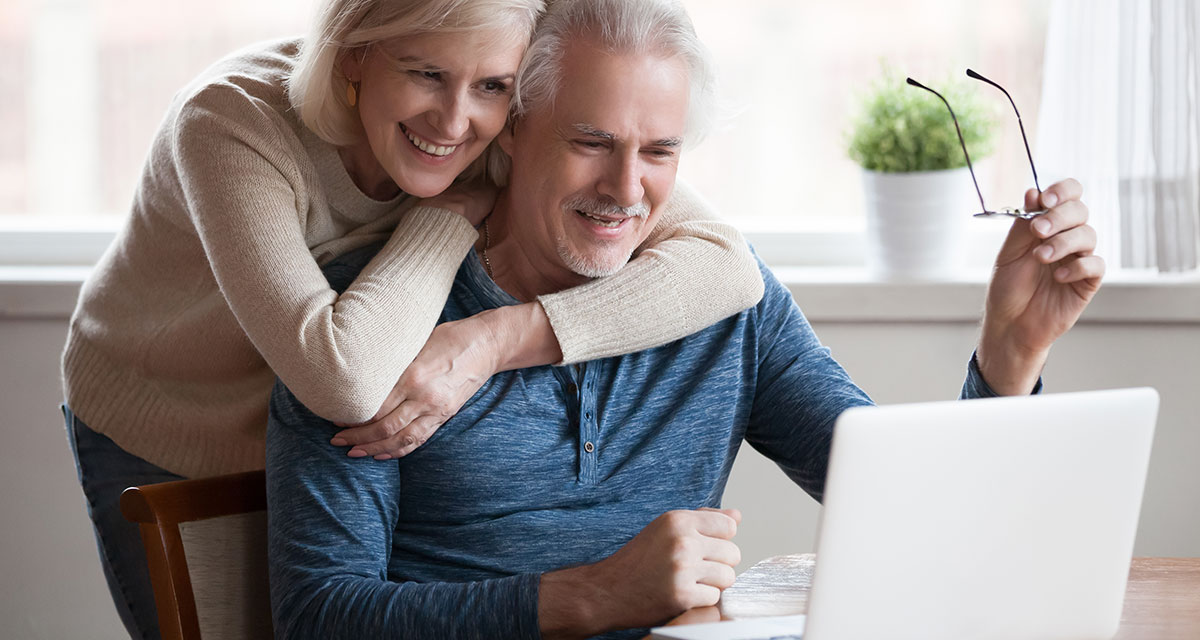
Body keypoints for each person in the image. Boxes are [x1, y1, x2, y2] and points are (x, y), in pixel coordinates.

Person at [264, 0, 1104, 638]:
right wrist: (590, 594)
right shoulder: (373, 324)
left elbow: (917, 517)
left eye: (659, 151)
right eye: (591, 141)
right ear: (512, 130)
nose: (627, 190)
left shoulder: (725, 305)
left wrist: (1008, 357)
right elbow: (321, 613)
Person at [60, 1, 768, 638]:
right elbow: (342, 381)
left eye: (492, 87)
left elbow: (728, 266)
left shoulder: (498, 110)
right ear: (354, 54)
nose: (456, 121)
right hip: (170, 418)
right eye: (425, 73)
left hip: (327, 411)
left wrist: (493, 340)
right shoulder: (228, 121)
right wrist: (446, 216)